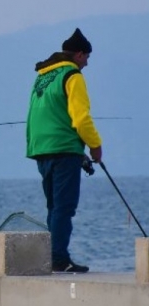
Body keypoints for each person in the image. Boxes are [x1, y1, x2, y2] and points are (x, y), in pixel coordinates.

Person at [26, 28, 102, 273]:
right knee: (65, 207)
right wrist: (95, 146)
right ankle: (59, 258)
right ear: (79, 54)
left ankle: (52, 255)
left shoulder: (43, 76)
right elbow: (81, 118)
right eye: (87, 57)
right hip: (64, 148)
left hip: (40, 147)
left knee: (53, 206)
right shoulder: (73, 75)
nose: (87, 63)